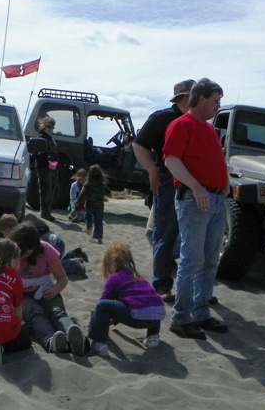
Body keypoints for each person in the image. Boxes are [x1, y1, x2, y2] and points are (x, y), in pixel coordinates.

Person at [163, 78, 229, 340]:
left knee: (211, 259)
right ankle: (181, 318)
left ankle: (201, 313)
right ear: (201, 99)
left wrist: (222, 187)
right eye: (215, 101)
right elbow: (171, 160)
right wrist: (197, 187)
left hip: (215, 201)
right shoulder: (180, 125)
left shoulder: (210, 129)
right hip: (194, 199)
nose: (217, 106)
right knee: (192, 259)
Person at [132, 79, 194, 303]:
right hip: (168, 183)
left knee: (191, 238)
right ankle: (161, 285)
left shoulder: (195, 121)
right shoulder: (162, 118)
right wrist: (151, 169)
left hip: (192, 184)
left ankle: (192, 287)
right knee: (164, 234)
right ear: (185, 97)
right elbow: (138, 144)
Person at [8, 222, 88, 355]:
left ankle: (74, 337)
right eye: (20, 254)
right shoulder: (8, 252)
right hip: (21, 295)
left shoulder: (45, 250)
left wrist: (55, 289)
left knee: (57, 311)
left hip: (45, 288)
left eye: (27, 254)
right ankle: (52, 342)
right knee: (36, 312)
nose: (22, 257)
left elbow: (62, 278)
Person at [87, 242, 167, 358]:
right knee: (150, 301)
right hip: (157, 316)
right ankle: (153, 337)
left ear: (111, 263)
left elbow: (104, 301)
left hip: (135, 316)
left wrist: (99, 323)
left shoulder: (114, 277)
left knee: (101, 306)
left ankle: (99, 345)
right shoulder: (137, 275)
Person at [0, 214, 88, 276]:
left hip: (55, 244)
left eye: (3, 233)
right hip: (56, 241)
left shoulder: (25, 235)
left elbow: (40, 250)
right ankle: (74, 252)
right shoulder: (21, 232)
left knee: (51, 267)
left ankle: (76, 264)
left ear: (9, 230)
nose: (4, 236)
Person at [73, 164, 110, 244]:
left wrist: (77, 202)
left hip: (90, 205)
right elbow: (108, 193)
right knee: (99, 221)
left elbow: (82, 194)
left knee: (88, 217)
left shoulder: (88, 184)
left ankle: (89, 227)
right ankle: (99, 238)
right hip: (100, 206)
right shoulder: (102, 184)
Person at [33, 116, 60, 222]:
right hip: (44, 168)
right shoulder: (40, 137)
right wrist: (46, 156)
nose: (51, 129)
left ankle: (47, 211)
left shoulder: (50, 138)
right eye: (49, 127)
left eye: (52, 127)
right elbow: (38, 153)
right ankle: (45, 212)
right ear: (44, 126)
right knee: (46, 191)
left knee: (51, 191)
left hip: (52, 167)